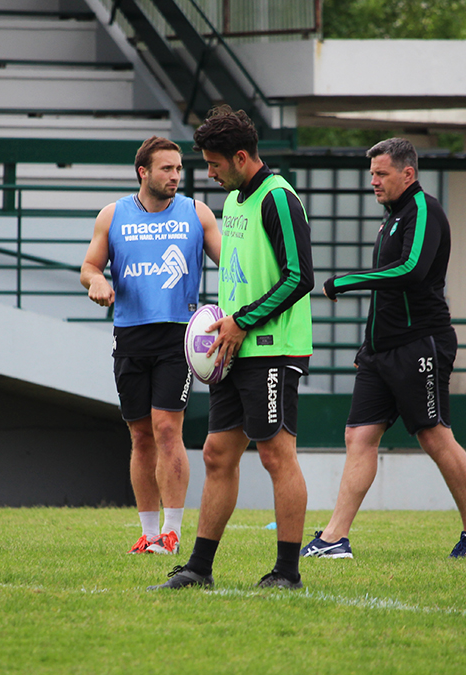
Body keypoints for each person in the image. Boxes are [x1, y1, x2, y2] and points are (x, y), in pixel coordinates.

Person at [301, 138, 466, 561]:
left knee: (434, 436)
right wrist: (367, 346)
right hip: (381, 351)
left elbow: (410, 272)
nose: (372, 181)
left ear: (407, 174)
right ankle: (335, 538)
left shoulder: (424, 210)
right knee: (358, 435)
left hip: (419, 345)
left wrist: (346, 280)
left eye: (381, 173)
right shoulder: (392, 218)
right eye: (371, 173)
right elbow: (389, 293)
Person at [148, 106, 314, 590]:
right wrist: (222, 322)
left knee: (276, 456)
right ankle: (199, 569)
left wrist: (242, 321)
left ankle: (287, 572)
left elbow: (300, 276)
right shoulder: (236, 200)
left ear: (241, 157)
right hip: (233, 349)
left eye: (215, 164)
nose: (209, 173)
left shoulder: (277, 197)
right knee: (218, 455)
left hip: (271, 347)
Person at [81, 137, 221, 555]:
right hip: (130, 335)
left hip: (179, 335)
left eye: (179, 168)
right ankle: (147, 533)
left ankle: (172, 531)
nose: (176, 176)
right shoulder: (113, 214)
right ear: (143, 172)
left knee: (166, 428)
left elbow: (231, 264)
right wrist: (98, 281)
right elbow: (89, 267)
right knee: (140, 435)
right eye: (166, 169)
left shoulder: (197, 212)